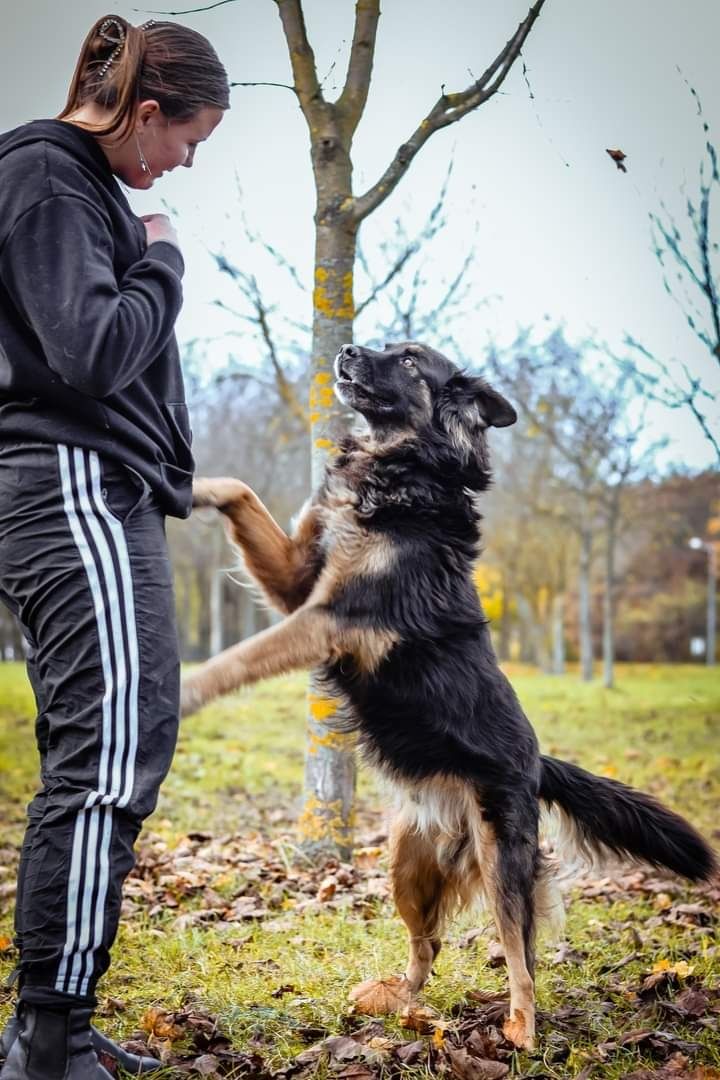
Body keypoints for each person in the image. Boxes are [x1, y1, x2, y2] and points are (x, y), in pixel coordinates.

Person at [0, 15, 229, 1078]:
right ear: (145, 115)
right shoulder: (51, 178)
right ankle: (48, 1045)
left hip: (89, 489)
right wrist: (167, 259)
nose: (186, 159)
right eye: (189, 138)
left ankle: (57, 1025)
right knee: (109, 755)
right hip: (71, 488)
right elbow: (93, 351)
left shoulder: (74, 192)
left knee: (97, 749)